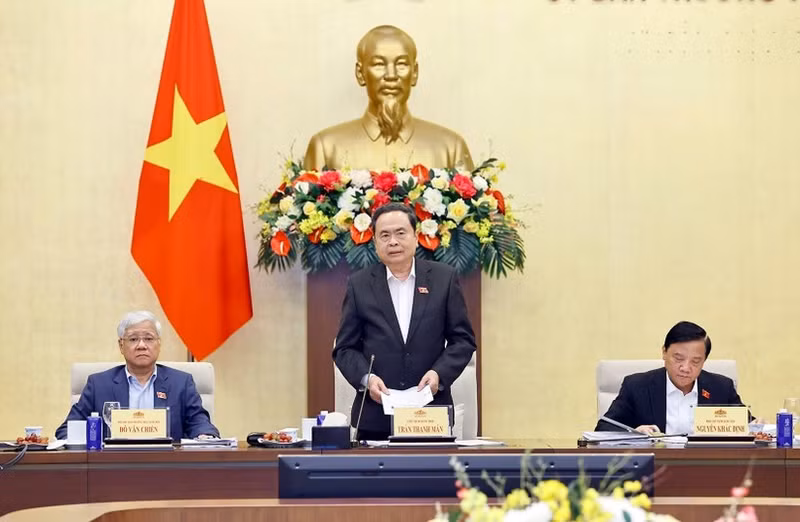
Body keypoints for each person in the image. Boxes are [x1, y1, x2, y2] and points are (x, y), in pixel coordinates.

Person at [333, 202, 477, 440]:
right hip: (375, 417)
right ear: (375, 242)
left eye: (400, 233)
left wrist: (438, 374)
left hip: (430, 415)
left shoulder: (444, 279)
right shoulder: (359, 284)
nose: (393, 242)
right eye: (384, 235)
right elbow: (345, 348)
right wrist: (367, 379)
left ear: (416, 237)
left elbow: (463, 341)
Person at [304, 25, 474, 171]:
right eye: (379, 64)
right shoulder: (326, 147)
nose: (391, 75)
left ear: (414, 73)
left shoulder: (450, 148)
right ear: (360, 73)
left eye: (401, 64)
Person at [55, 311, 219, 440]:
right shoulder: (98, 384)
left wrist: (204, 435)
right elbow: (68, 429)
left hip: (166, 466)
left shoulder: (181, 383)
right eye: (133, 339)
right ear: (121, 345)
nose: (141, 345)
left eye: (148, 338)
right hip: (112, 466)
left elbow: (199, 422)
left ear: (159, 344)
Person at [595, 321, 749, 434]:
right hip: (656, 465)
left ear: (704, 361)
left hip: (707, 464)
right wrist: (634, 433)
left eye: (695, 361)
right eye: (678, 358)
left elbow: (747, 426)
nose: (685, 368)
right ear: (664, 352)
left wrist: (757, 426)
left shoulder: (721, 387)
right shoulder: (637, 387)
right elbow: (604, 428)